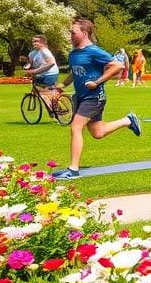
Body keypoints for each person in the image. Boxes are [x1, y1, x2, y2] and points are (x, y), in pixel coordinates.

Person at [51, 17, 142, 180]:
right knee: (98, 133)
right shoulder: (73, 54)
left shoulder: (94, 51)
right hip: (81, 97)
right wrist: (61, 86)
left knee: (75, 127)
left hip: (94, 98)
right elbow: (75, 72)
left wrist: (98, 81)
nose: (70, 35)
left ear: (84, 33)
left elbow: (118, 66)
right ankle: (127, 121)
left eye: (73, 32)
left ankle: (73, 169)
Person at [23, 34, 60, 107]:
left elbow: (51, 63)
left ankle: (53, 107)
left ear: (42, 43)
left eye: (36, 41)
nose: (33, 43)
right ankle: (55, 104)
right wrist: (27, 66)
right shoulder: (31, 53)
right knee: (43, 91)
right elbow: (31, 64)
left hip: (50, 74)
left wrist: (36, 71)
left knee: (42, 92)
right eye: (33, 41)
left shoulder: (45, 51)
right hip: (41, 74)